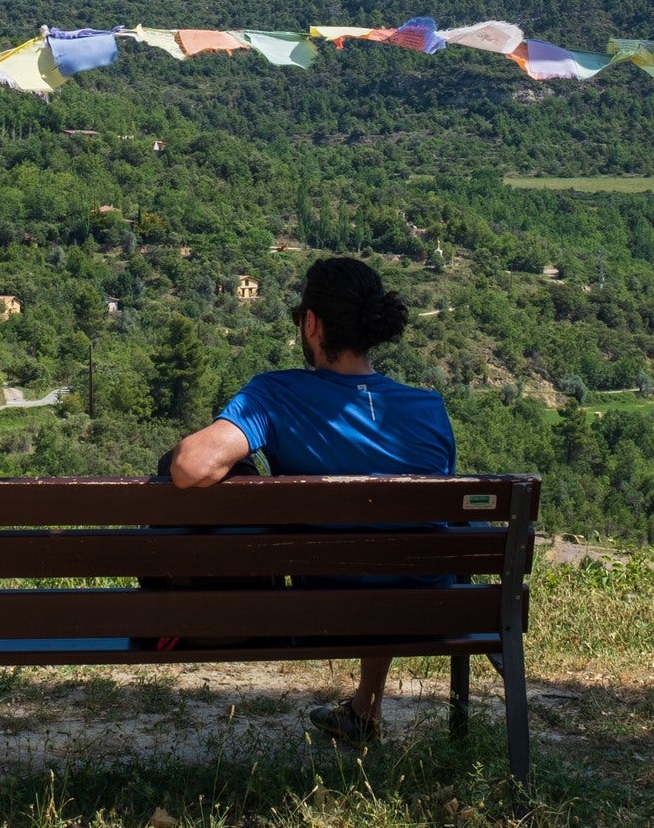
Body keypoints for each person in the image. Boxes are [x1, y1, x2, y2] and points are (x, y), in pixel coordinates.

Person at [168, 256, 455, 744]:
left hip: (322, 607)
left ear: (312, 323)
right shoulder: (429, 409)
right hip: (426, 607)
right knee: (388, 550)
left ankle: (362, 711)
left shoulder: (276, 394)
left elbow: (190, 467)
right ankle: (365, 711)